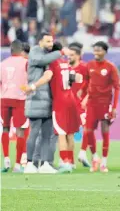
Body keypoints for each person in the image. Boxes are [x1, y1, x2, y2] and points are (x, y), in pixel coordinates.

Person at [22, 43, 82, 173]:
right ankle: (71, 162)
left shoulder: (53, 63)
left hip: (59, 102)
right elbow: (78, 78)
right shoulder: (65, 63)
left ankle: (64, 162)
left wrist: (33, 86)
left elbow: (47, 76)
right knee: (70, 134)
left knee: (60, 134)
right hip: (71, 99)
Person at [81, 41, 120, 173]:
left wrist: (114, 107)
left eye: (98, 50)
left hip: (105, 103)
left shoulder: (110, 67)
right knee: (88, 131)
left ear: (104, 51)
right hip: (92, 103)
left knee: (105, 132)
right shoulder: (90, 65)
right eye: (94, 50)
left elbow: (117, 87)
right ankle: (95, 158)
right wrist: (82, 91)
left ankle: (104, 162)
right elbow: (86, 81)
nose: (96, 53)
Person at [0, 40, 29, 173]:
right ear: (21, 50)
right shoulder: (26, 63)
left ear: (11, 50)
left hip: (5, 99)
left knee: (5, 128)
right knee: (20, 130)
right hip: (20, 99)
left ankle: (6, 160)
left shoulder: (3, 64)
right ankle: (17, 164)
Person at [65, 42, 90, 168]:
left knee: (87, 128)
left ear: (79, 56)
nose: (69, 57)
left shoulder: (85, 67)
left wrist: (86, 97)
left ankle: (83, 152)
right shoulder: (65, 68)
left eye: (72, 55)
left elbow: (93, 83)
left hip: (81, 105)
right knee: (68, 133)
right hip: (68, 105)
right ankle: (70, 161)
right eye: (68, 55)